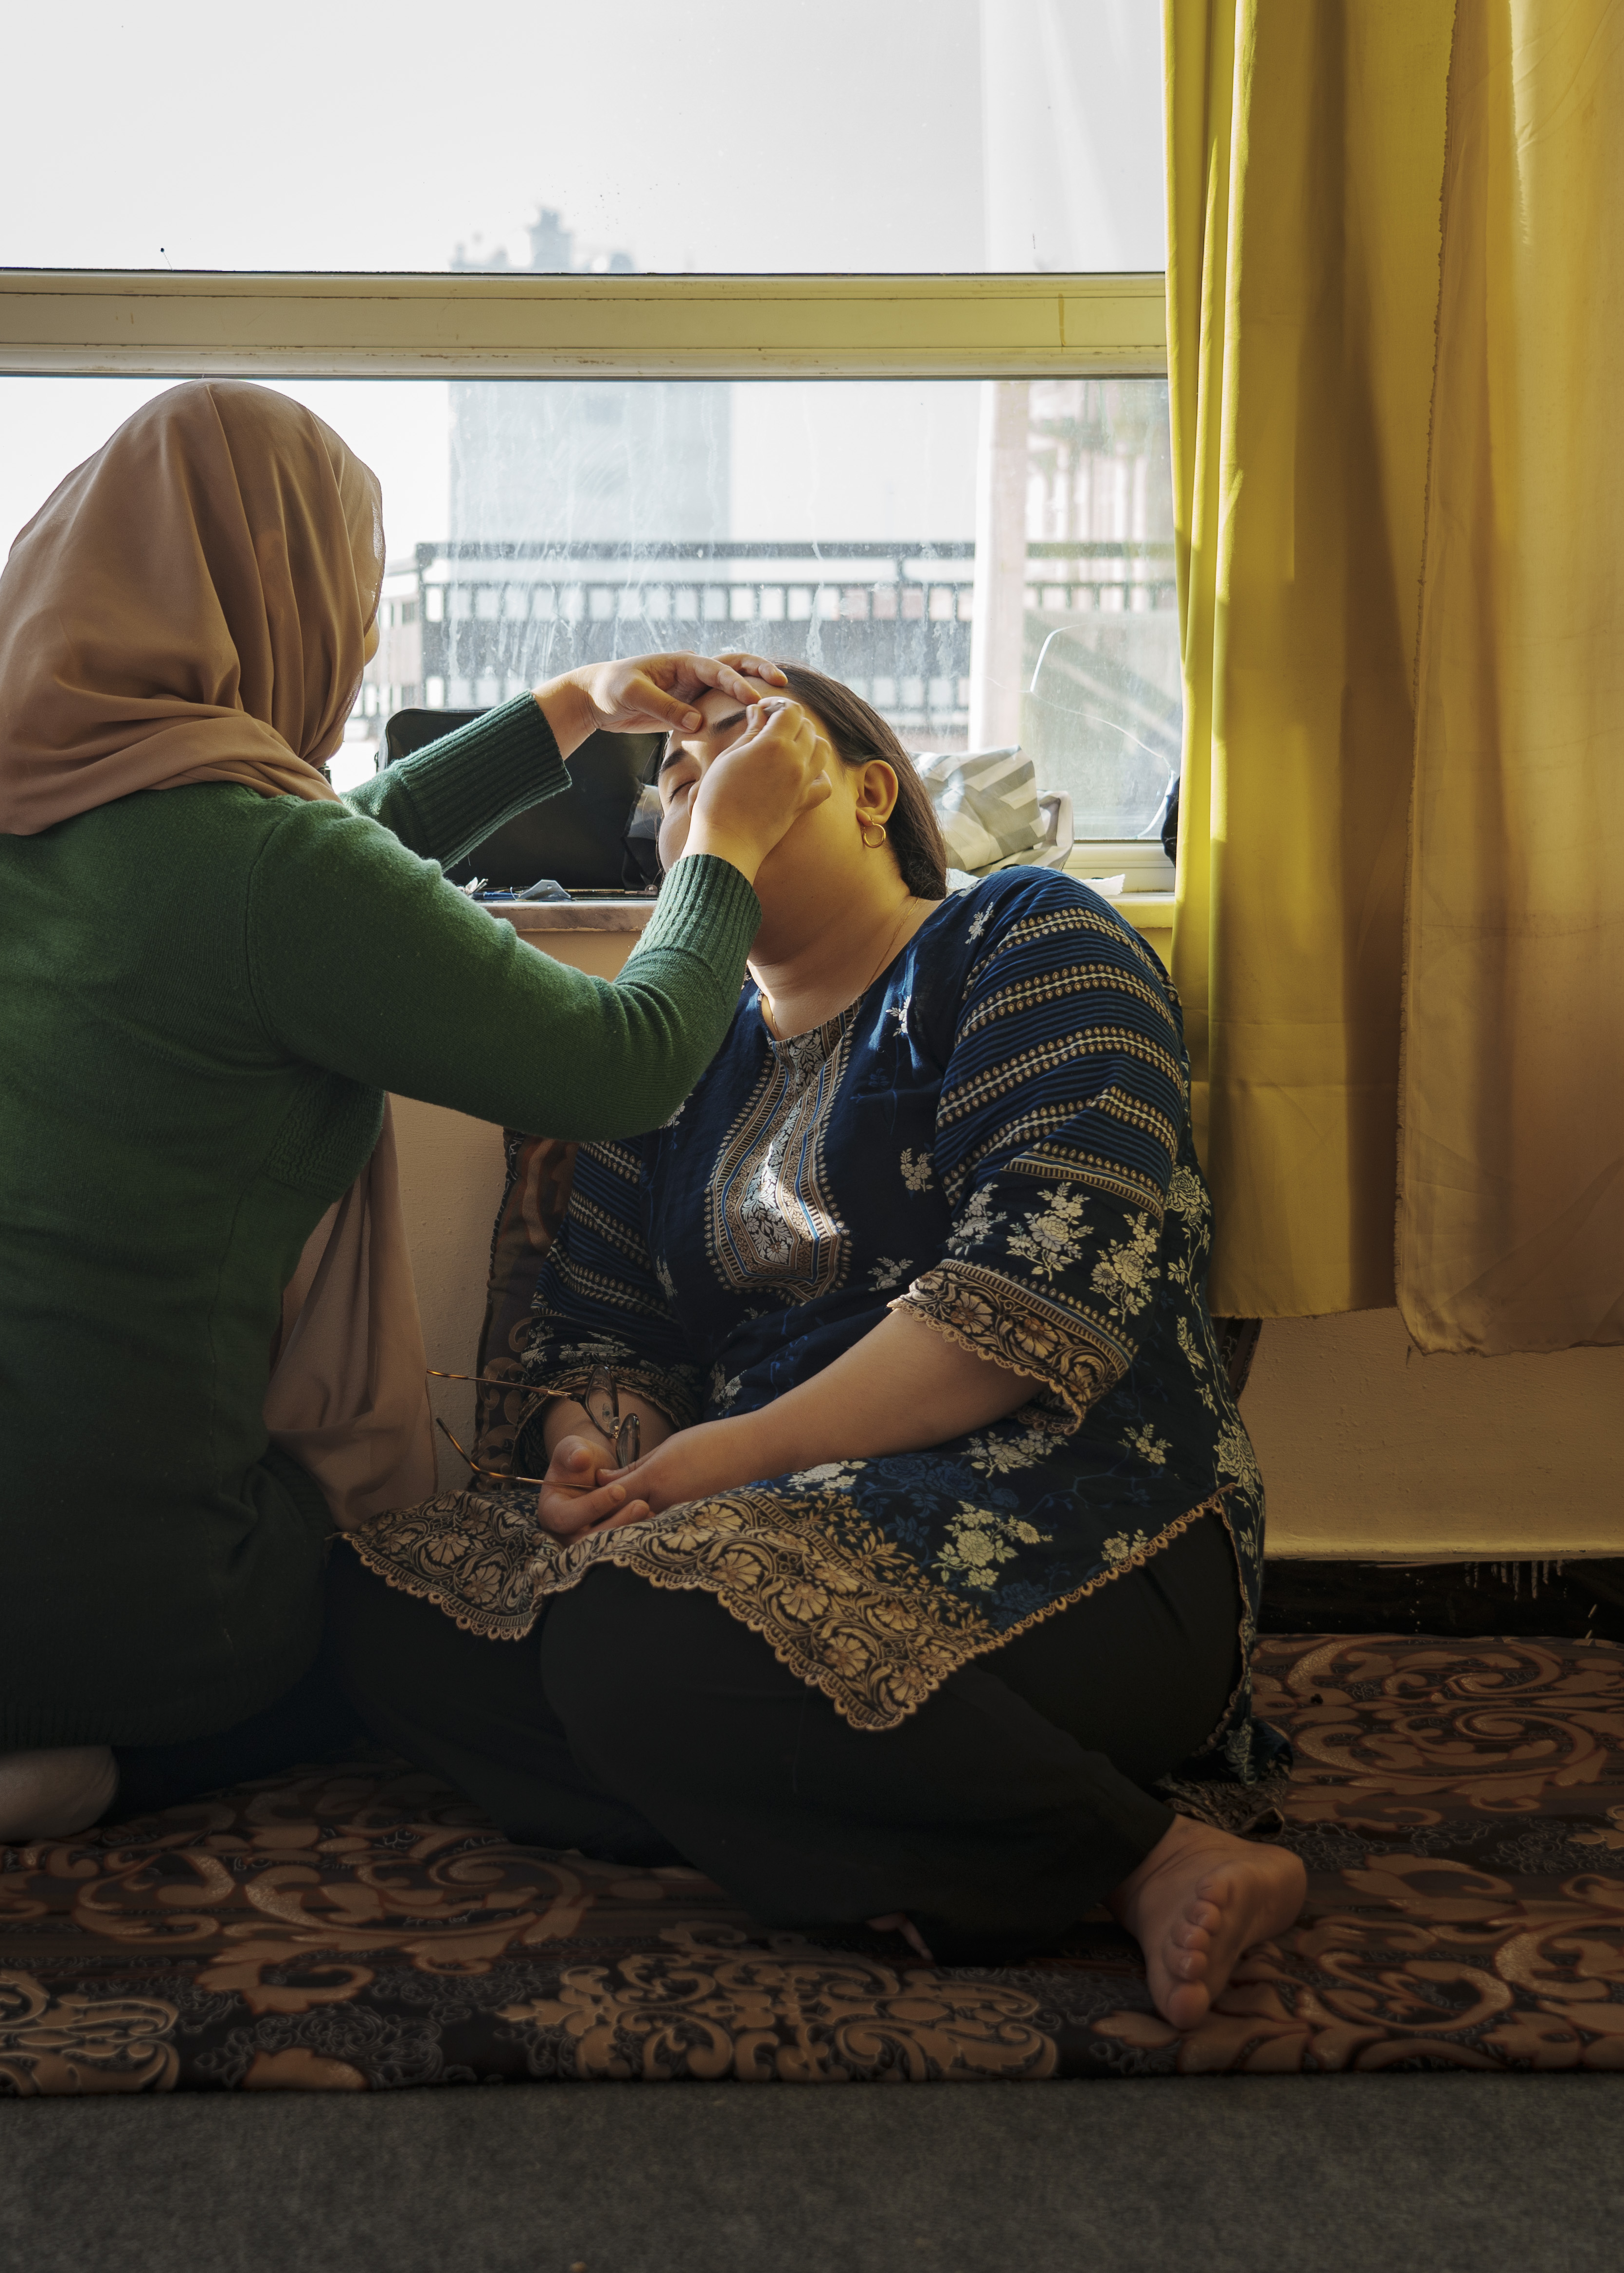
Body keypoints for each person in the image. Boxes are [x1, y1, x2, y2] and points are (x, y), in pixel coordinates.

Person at [0, 380, 840, 1869]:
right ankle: (62, 1772)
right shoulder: (262, 869)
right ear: (275, 596)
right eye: (352, 601)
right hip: (56, 1580)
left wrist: (572, 710)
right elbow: (625, 1065)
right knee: (370, 1624)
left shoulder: (18, 790)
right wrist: (724, 849)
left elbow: (323, 863)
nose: (356, 644)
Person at [339, 665, 1303, 2030]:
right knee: (389, 1607)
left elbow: (1023, 1308)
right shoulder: (670, 1061)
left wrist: (716, 1468)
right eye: (677, 782)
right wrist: (600, 1460)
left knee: (642, 1638)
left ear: (869, 793)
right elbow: (611, 1332)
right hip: (744, 1527)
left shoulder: (1029, 936)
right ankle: (867, 1823)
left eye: (742, 747)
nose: (701, 783)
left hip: (1075, 1520)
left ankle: (1140, 1858)